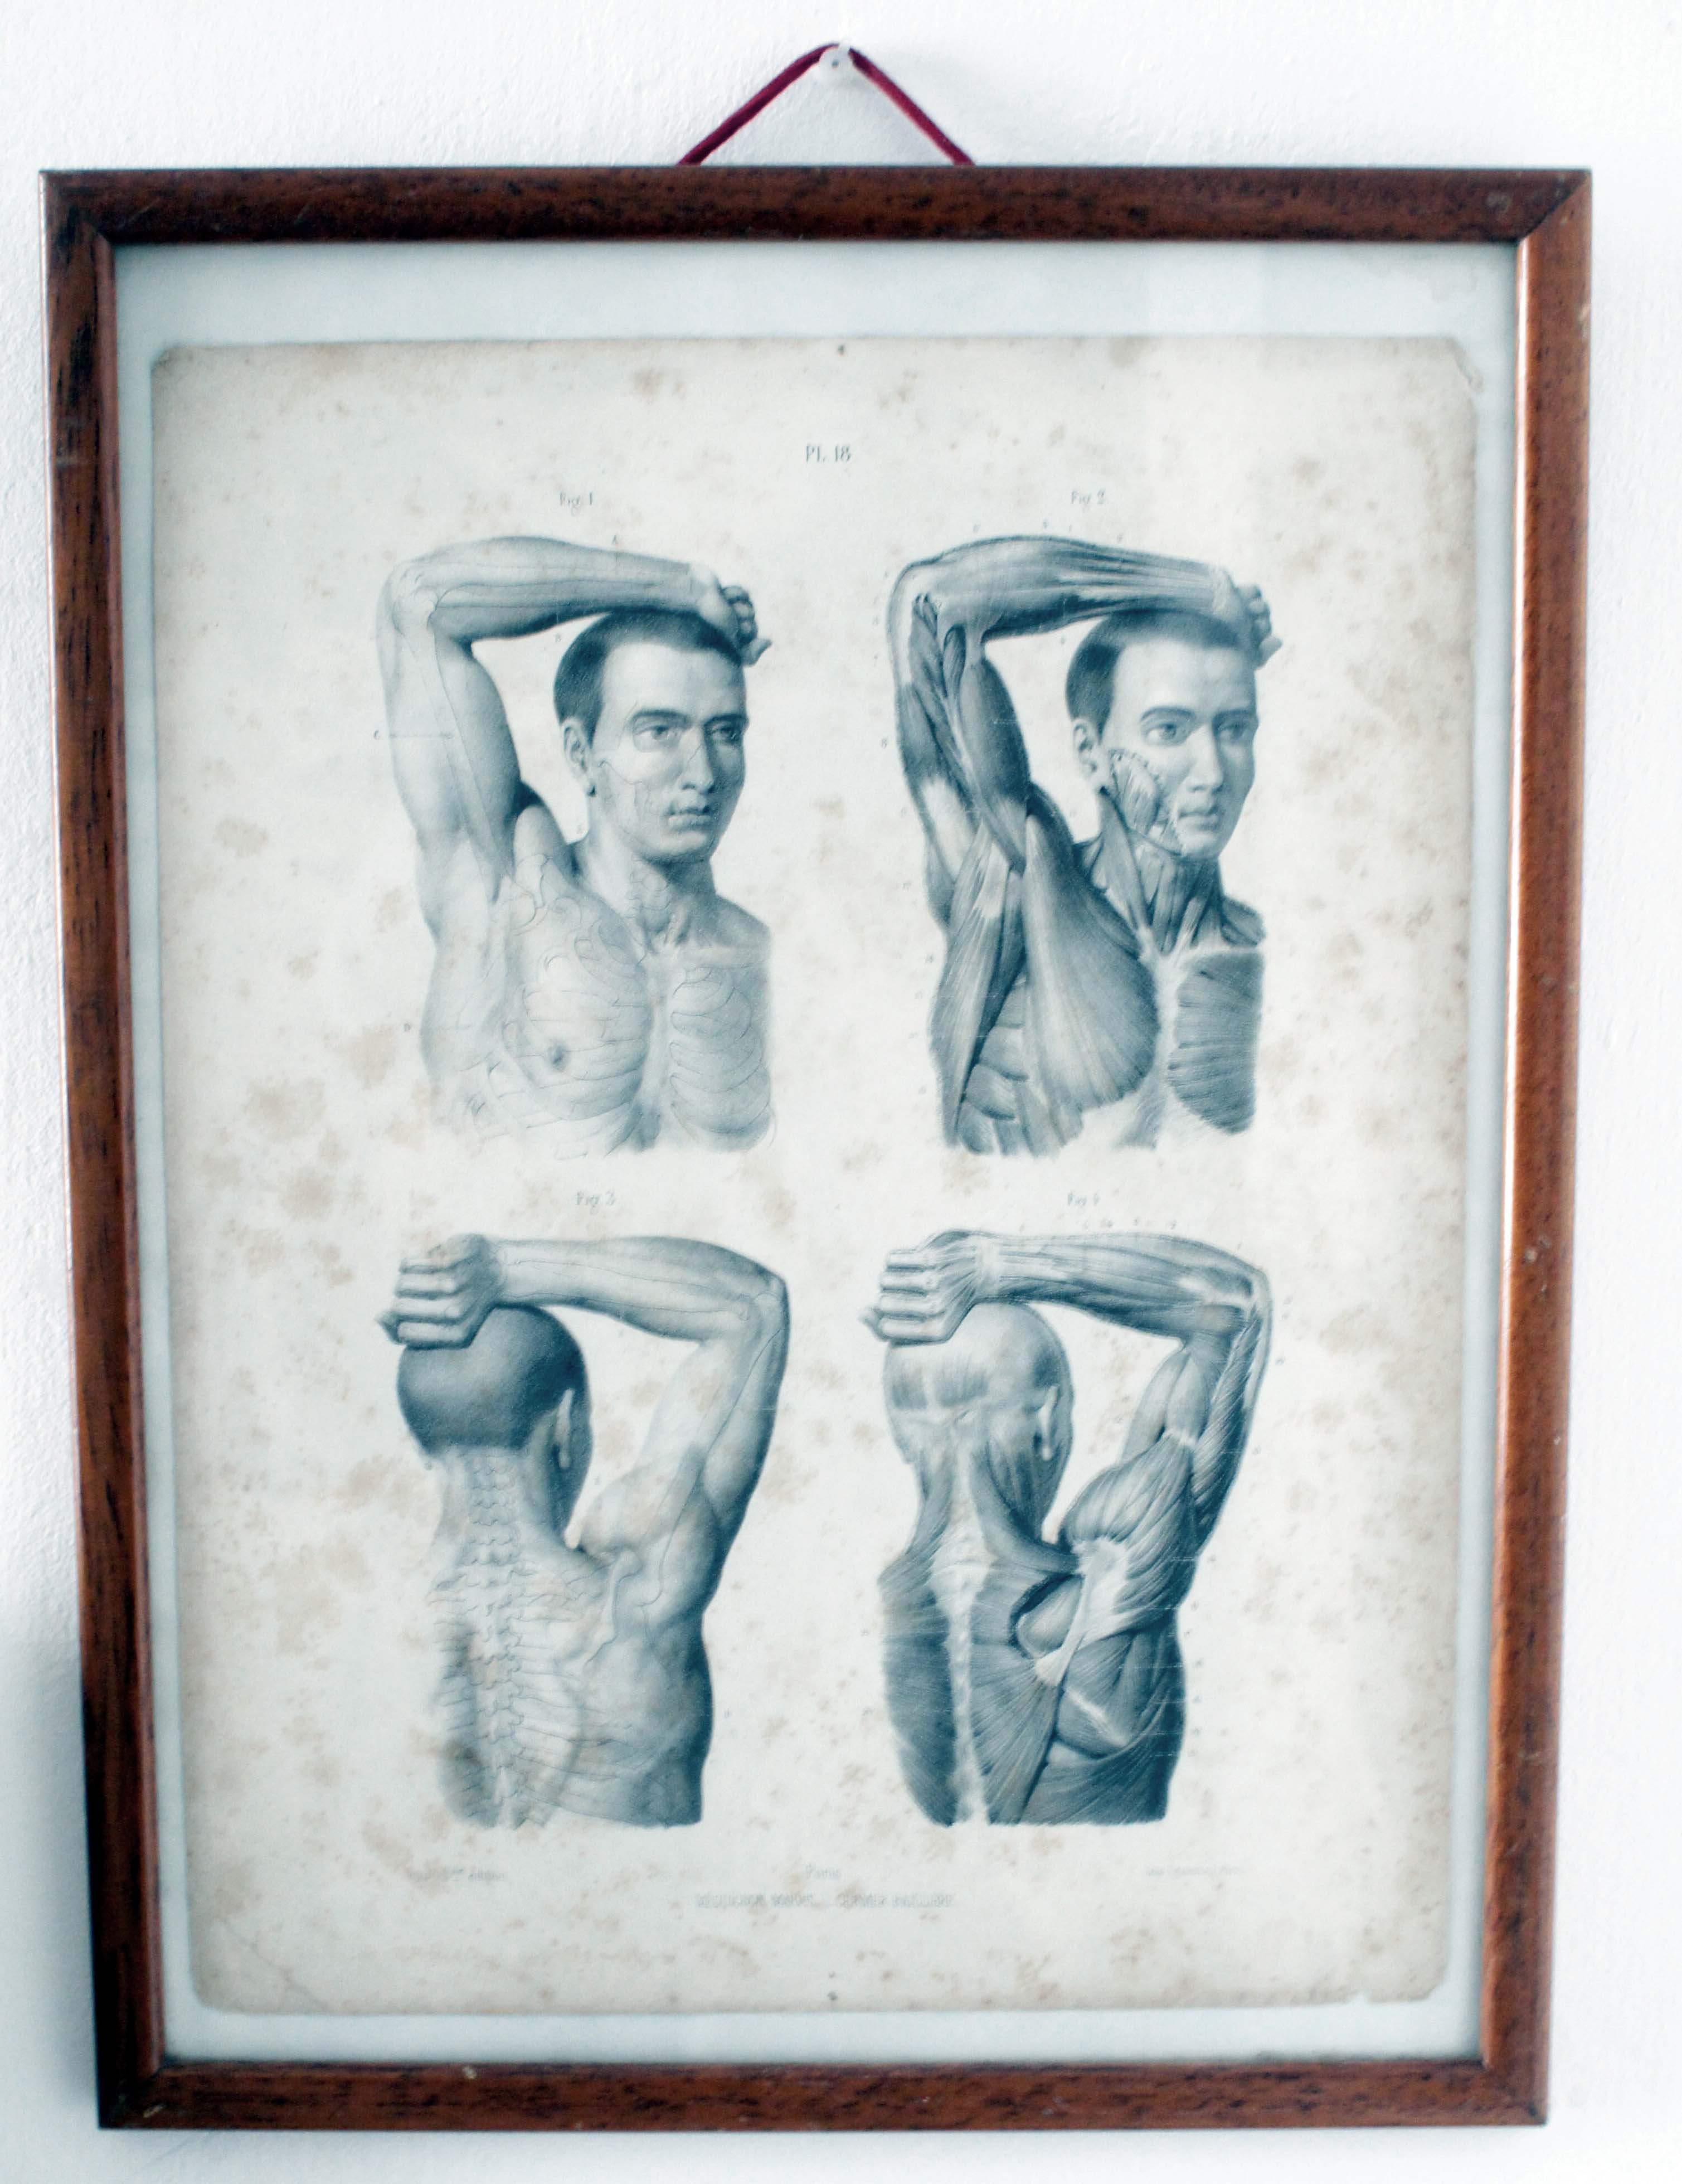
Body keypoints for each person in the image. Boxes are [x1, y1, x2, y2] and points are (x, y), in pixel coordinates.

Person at [377, 537, 771, 1153]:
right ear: (581, 755)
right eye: (659, 731)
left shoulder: (762, 956)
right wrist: (687, 588)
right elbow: (421, 600)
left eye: (725, 733)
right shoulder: (504, 889)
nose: (703, 773)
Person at [383, 1232, 789, 1828]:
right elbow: (754, 1305)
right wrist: (502, 1267)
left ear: (421, 1446)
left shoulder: (369, 1627)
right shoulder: (640, 1600)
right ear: (566, 1426)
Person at [866, 1227, 1269, 1825]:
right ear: (1050, 1421)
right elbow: (1235, 1306)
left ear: (902, 1434)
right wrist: (998, 1266)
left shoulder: (870, 1623)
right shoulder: (1111, 1578)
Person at [888, 537, 1279, 1154]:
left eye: (1234, 730)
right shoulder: (1019, 887)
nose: (1211, 772)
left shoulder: (1270, 959)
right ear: (1090, 754)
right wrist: (1201, 591)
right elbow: (932, 601)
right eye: (1168, 730)